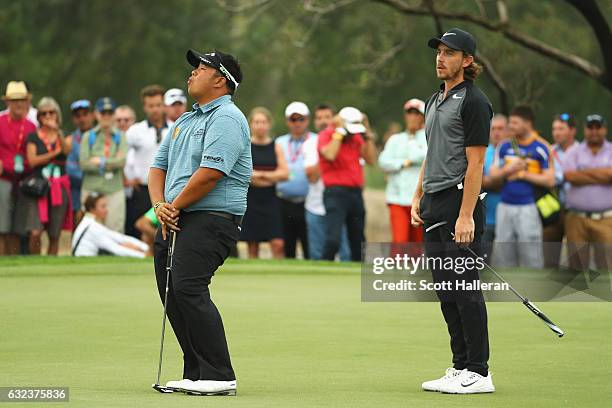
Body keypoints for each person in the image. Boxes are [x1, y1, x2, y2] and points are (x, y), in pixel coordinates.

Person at [149, 48, 250, 396]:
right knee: (172, 292)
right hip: (177, 215)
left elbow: (210, 174)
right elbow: (156, 168)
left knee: (189, 287)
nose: (192, 73)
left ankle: (220, 374)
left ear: (220, 79)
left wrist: (172, 206)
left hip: (212, 218)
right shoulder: (185, 120)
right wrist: (160, 205)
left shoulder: (227, 118)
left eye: (201, 68)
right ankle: (196, 372)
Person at [412, 28, 494, 394]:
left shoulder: (474, 102)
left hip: (460, 202)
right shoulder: (433, 101)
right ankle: (460, 365)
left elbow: (475, 164)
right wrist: (418, 195)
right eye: (439, 52)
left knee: (465, 289)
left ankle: (479, 371)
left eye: (450, 53)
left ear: (468, 60)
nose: (441, 58)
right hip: (434, 201)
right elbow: (432, 153)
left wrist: (466, 215)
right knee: (446, 289)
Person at [489, 106, 555, 269]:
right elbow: (493, 173)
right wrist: (508, 170)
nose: (510, 126)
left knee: (531, 256)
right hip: (504, 206)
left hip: (528, 207)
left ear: (528, 123)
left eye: (515, 122)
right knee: (503, 256)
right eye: (510, 122)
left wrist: (524, 175)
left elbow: (550, 180)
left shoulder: (541, 147)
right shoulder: (504, 146)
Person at [14, 97, 73, 255]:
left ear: (57, 114)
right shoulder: (33, 136)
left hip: (58, 186)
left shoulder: (63, 134)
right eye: (44, 113)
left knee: (55, 233)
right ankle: (36, 262)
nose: (48, 116)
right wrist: (54, 153)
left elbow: (67, 150)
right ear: (38, 116)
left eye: (51, 112)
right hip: (38, 187)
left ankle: (51, 264)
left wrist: (57, 131)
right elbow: (32, 161)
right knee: (35, 231)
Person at [318, 106, 377, 261]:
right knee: (333, 240)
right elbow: (330, 155)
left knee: (358, 241)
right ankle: (322, 272)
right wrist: (339, 132)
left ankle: (358, 276)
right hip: (335, 193)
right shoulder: (327, 134)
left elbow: (370, 159)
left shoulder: (357, 136)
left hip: (355, 194)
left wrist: (367, 134)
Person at [563, 114, 612, 271]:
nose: (594, 131)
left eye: (598, 127)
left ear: (605, 129)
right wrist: (603, 175)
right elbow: (570, 176)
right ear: (585, 130)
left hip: (606, 219)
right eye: (590, 127)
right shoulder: (573, 151)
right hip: (576, 219)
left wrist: (583, 173)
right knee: (577, 271)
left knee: (607, 268)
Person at [124, 85, 172, 237]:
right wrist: (127, 179)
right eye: (151, 106)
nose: (155, 109)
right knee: (138, 231)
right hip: (142, 189)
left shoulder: (175, 128)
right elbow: (123, 156)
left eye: (158, 105)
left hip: (166, 189)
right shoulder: (135, 131)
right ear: (144, 107)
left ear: (164, 105)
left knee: (166, 228)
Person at [303, 104, 350, 260]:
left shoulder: (346, 140)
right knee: (317, 256)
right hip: (315, 207)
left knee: (346, 255)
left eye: (327, 117)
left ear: (335, 119)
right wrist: (325, 153)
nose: (323, 121)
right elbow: (312, 177)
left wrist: (334, 143)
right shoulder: (309, 143)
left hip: (341, 207)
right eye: (319, 118)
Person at [240, 107, 288, 258]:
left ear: (269, 124)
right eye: (256, 122)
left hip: (271, 199)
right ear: (250, 124)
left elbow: (285, 173)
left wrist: (260, 175)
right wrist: (268, 176)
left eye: (263, 122)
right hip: (251, 199)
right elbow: (243, 173)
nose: (260, 125)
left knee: (278, 243)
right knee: (252, 244)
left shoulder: (276, 146)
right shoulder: (245, 145)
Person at [378, 98, 427, 245]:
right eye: (409, 113)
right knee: (400, 242)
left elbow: (425, 155)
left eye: (416, 114)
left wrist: (409, 159)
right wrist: (404, 163)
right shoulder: (396, 139)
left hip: (420, 200)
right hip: (397, 198)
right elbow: (383, 161)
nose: (412, 117)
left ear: (423, 117)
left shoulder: (428, 137)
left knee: (418, 245)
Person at [0, 81, 37, 255]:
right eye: (15, 101)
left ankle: (13, 262)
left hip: (24, 180)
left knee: (18, 228)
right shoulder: (0, 121)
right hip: (3, 179)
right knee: (2, 227)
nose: (19, 104)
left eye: (22, 100)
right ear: (7, 102)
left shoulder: (31, 126)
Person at [275, 101, 316, 258]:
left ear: (307, 120)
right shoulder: (279, 142)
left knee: (309, 246)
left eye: (301, 119)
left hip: (309, 202)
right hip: (283, 201)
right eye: (293, 119)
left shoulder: (316, 140)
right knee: (287, 247)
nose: (297, 123)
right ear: (287, 121)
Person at [80, 97, 127, 232]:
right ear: (96, 114)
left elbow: (121, 162)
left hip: (114, 189)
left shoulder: (121, 136)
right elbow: (84, 164)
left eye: (110, 113)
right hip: (91, 189)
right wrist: (112, 161)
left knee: (115, 229)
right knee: (91, 230)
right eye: (103, 113)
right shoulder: (88, 136)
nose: (106, 117)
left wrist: (99, 161)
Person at [72, 192, 148, 257]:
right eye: (103, 206)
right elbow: (116, 249)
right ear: (92, 209)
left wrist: (147, 248)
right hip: (87, 263)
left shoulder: (89, 223)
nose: (106, 210)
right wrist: (144, 255)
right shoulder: (92, 227)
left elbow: (120, 238)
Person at [66, 99, 95, 228]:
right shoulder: (71, 140)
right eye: (78, 116)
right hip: (77, 191)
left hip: (99, 191)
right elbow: (70, 168)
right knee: (77, 226)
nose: (82, 119)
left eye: (85, 114)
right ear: (74, 119)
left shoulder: (102, 137)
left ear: (93, 115)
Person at [481, 114, 508, 245]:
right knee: (484, 261)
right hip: (487, 218)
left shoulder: (514, 151)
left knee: (507, 264)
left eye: (501, 129)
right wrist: (504, 179)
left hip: (509, 218)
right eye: (493, 129)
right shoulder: (483, 153)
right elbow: (479, 182)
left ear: (508, 131)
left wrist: (490, 180)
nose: (496, 132)